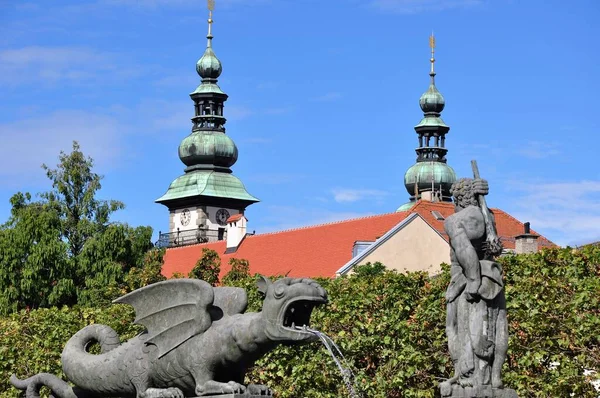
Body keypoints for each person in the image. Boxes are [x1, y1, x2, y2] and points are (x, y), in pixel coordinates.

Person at [440, 178, 507, 395]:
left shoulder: (454, 220)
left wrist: (473, 281)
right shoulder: (489, 219)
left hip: (466, 282)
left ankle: (465, 374)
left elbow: (464, 250)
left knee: (459, 329)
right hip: (493, 278)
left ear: (458, 197)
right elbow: (494, 247)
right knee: (498, 327)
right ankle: (495, 376)